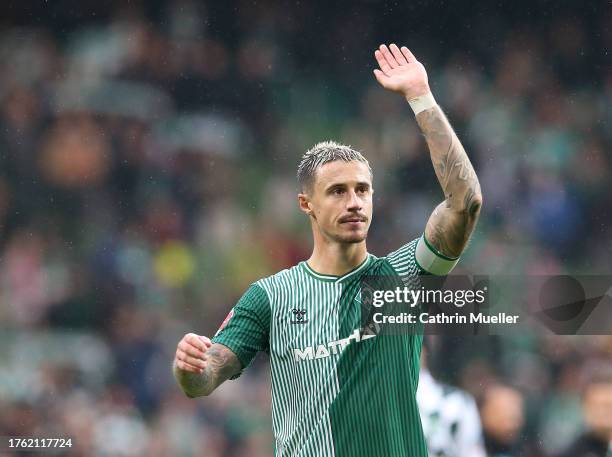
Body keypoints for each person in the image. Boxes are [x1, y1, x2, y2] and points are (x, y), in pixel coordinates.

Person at [173, 43, 482, 457]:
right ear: (307, 204)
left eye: (362, 190)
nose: (354, 202)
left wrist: (421, 98)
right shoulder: (271, 296)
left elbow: (465, 203)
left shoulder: (405, 276)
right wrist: (189, 367)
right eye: (337, 191)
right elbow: (207, 377)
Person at [555, 361, 612, 457]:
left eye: (609, 405)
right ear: (584, 407)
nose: (604, 413)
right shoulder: (572, 452)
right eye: (598, 406)